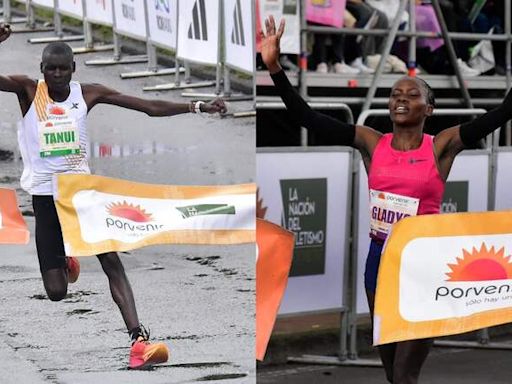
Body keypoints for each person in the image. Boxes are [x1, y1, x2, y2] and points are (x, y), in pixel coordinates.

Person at [261, 15, 510, 383]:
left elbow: (502, 113)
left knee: (407, 375)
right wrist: (274, 68)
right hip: (380, 260)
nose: (401, 99)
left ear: (430, 108)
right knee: (393, 374)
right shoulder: (370, 142)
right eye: (395, 94)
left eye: (412, 95)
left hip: (424, 263)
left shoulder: (441, 146)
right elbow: (307, 117)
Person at [0, 24, 226, 369]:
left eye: (63, 68)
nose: (57, 74)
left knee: (111, 262)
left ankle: (139, 341)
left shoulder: (87, 94)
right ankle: (66, 259)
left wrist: (196, 106)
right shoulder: (29, 91)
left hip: (83, 194)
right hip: (46, 199)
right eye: (50, 68)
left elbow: (148, 106)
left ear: (74, 69)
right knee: (57, 292)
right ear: (42, 70)